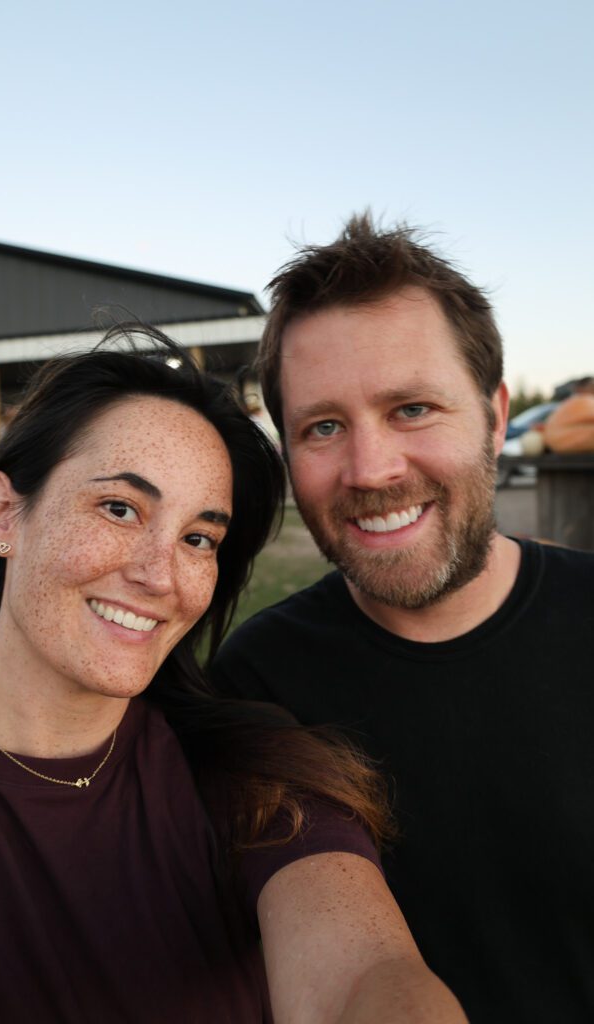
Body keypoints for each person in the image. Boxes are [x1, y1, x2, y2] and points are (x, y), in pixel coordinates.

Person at [0, 326, 466, 1024]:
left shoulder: (249, 776)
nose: (159, 576)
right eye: (119, 508)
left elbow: (365, 977)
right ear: (1, 515)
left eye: (198, 538)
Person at [212, 214, 594, 1023]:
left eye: (412, 408)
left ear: (492, 416)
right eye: (322, 427)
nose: (371, 469)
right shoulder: (256, 684)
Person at [543, 376, 594, 452]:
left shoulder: (564, 405)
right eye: (592, 387)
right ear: (580, 389)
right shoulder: (583, 400)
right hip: (570, 443)